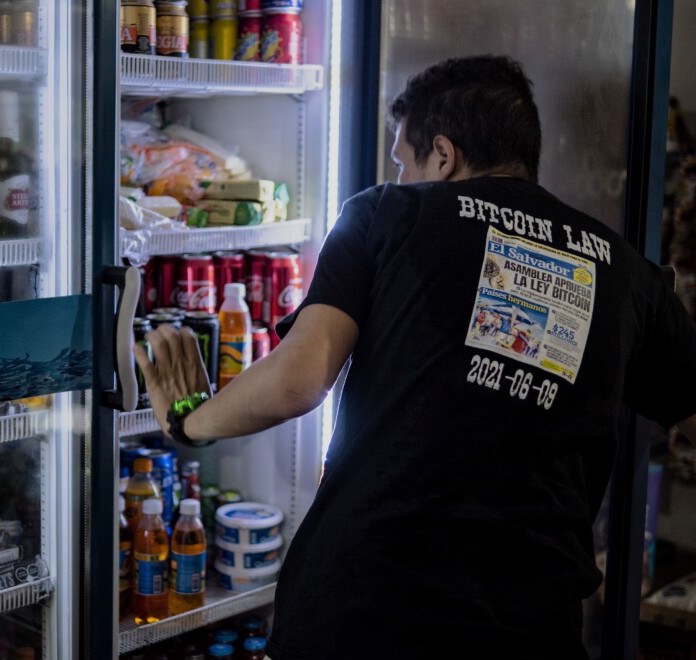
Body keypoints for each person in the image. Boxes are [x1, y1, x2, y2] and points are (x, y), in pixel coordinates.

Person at [134, 55, 696, 659]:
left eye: (404, 161)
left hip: (365, 613)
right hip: (532, 632)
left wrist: (187, 418)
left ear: (444, 155)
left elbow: (298, 381)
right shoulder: (625, 273)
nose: (399, 177)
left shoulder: (388, 212)